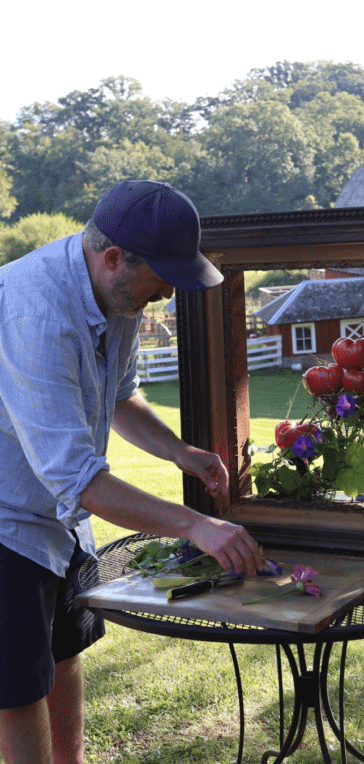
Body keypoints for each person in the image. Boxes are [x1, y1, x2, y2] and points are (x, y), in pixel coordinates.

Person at [0, 180, 264, 764]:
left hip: (56, 522)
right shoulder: (34, 314)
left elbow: (120, 397)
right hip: (6, 521)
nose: (169, 292)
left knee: (64, 654)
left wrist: (179, 453)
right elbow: (79, 479)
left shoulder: (114, 295)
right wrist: (196, 526)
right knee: (17, 691)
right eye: (163, 276)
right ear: (114, 256)